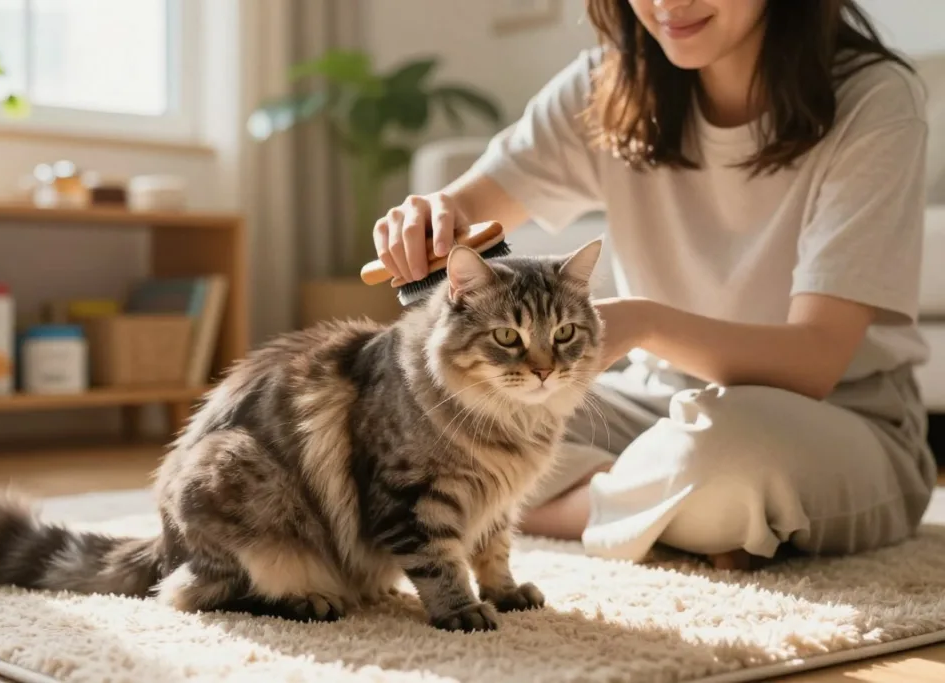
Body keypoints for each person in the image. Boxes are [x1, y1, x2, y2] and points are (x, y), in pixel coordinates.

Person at [371, 0, 939, 570]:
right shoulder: (607, 85)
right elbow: (467, 211)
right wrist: (433, 213)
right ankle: (676, 519)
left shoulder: (874, 98)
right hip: (654, 407)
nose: (668, 3)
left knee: (727, 458)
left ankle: (644, 505)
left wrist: (644, 322)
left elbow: (816, 362)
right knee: (427, 420)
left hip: (837, 418)